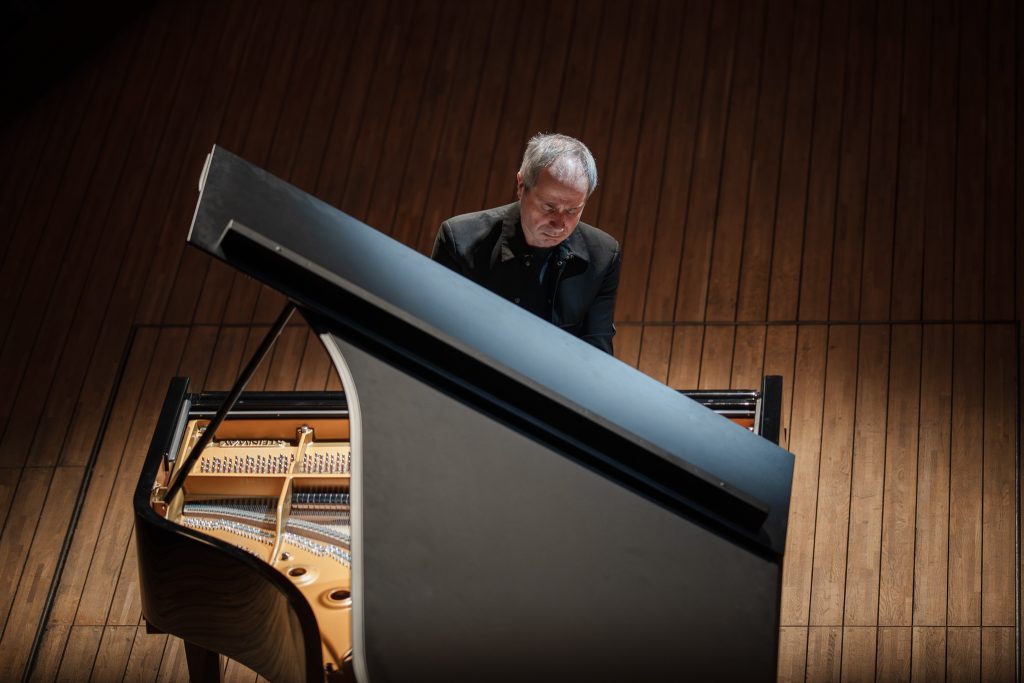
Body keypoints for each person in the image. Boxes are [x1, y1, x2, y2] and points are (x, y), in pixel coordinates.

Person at [431, 133, 621, 353]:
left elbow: (596, 350)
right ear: (521, 185)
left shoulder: (604, 255)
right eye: (549, 207)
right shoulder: (459, 239)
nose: (559, 223)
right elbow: (439, 335)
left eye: (573, 210)